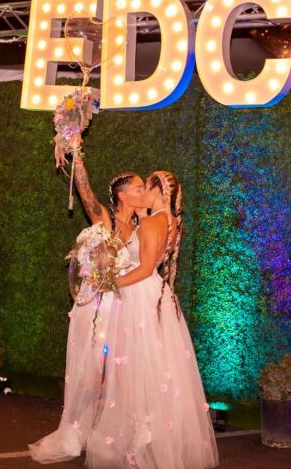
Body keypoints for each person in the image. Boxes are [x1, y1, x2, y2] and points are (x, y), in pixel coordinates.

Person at [82, 171, 219, 468]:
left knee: (134, 370)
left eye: (146, 186)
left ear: (157, 191)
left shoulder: (150, 222)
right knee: (157, 369)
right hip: (158, 295)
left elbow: (144, 269)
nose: (141, 190)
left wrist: (112, 284)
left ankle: (138, 442)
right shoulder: (169, 220)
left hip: (140, 295)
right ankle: (154, 438)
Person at [28, 153, 144, 464]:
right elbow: (85, 192)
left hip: (129, 307)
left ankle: (116, 431)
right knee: (97, 369)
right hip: (101, 307)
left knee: (125, 371)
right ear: (122, 194)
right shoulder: (105, 219)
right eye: (137, 187)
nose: (142, 191)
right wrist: (77, 156)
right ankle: (85, 430)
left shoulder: (142, 223)